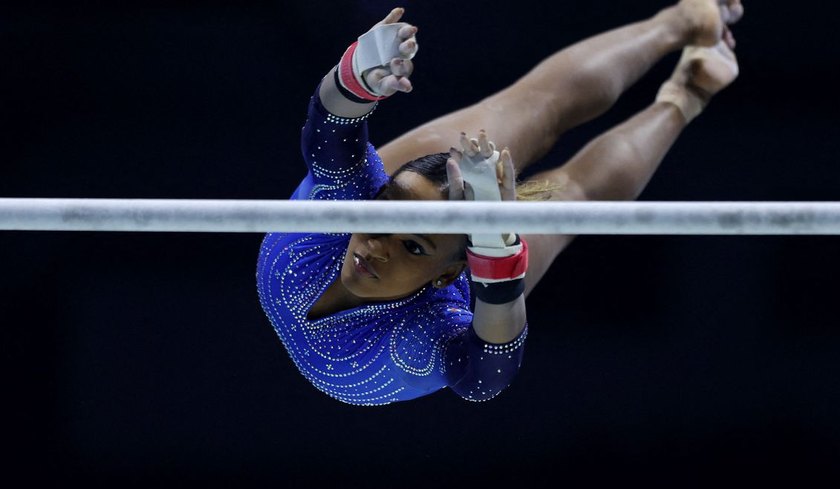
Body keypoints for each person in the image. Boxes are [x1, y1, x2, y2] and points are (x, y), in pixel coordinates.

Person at [256, 0, 745, 406]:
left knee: (544, 106)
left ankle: (681, 22)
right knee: (571, 188)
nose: (377, 246)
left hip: (483, 263)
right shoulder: (345, 209)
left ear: (450, 273)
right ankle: (688, 88)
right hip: (488, 262)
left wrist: (489, 246)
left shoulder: (426, 328)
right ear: (376, 196)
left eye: (413, 247)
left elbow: (483, 377)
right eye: (387, 214)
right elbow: (329, 131)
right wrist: (356, 75)